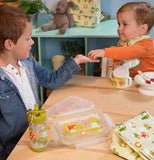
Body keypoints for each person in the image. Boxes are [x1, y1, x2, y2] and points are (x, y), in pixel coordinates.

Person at [0, 4, 99, 160]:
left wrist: (77, 61)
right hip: (13, 150)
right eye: (27, 39)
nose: (32, 42)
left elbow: (50, 81)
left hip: (37, 136)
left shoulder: (27, 61)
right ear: (9, 44)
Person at [88, 2, 154, 78]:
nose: (119, 28)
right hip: (131, 78)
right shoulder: (127, 40)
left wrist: (104, 52)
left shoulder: (147, 45)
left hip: (148, 81)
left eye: (125, 24)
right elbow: (120, 51)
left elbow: (128, 52)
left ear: (143, 29)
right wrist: (116, 62)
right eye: (119, 24)